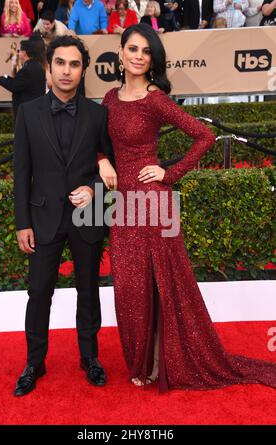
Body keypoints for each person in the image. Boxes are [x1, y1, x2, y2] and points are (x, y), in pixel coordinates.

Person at [98, 23, 276, 391]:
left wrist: (169, 172)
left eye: (146, 52)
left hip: (153, 200)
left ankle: (162, 362)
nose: (138, 56)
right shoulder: (110, 99)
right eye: (133, 49)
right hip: (123, 205)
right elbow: (99, 141)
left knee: (162, 281)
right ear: (121, 52)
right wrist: (102, 160)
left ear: (152, 60)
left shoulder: (155, 99)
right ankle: (141, 358)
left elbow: (205, 136)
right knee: (130, 286)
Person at [12, 35, 115, 397]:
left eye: (74, 64)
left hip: (88, 217)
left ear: (83, 68)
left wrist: (94, 189)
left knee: (88, 290)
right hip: (42, 219)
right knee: (39, 292)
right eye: (60, 63)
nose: (67, 71)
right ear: (49, 67)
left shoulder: (99, 113)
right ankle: (34, 362)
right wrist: (22, 221)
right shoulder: (28, 112)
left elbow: (111, 165)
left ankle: (90, 358)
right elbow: (21, 172)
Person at [0, 38, 46, 118]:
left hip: (28, 112)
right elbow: (18, 82)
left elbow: (14, 86)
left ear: (24, 53)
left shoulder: (27, 69)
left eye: (19, 51)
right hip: (35, 109)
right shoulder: (36, 66)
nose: (17, 53)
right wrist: (2, 77)